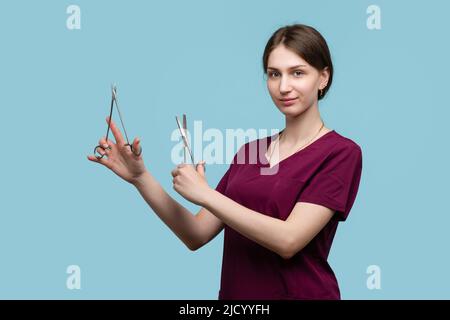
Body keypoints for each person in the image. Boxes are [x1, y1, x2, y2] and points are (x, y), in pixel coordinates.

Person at [87, 24, 363, 300]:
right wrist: (141, 178)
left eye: (298, 73)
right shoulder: (250, 152)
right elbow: (196, 233)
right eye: (273, 74)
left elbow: (289, 240)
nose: (283, 86)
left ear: (323, 77)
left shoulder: (340, 153)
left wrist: (206, 195)